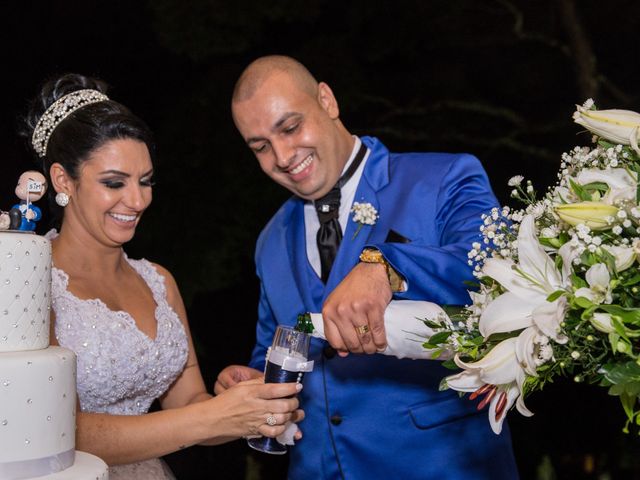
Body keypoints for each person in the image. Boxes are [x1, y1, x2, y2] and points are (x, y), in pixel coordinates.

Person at [215, 55, 519, 479]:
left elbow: (498, 271)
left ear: (327, 100)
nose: (282, 156)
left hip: (442, 466)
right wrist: (251, 379)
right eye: (261, 147)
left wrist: (387, 266)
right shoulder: (269, 240)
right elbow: (276, 346)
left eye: (290, 127)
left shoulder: (446, 176)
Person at [23, 73, 304, 479]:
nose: (137, 201)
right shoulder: (33, 283)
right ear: (63, 179)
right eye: (114, 182)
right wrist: (215, 415)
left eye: (145, 181)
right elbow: (62, 430)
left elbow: (189, 406)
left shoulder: (158, 281)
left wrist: (242, 405)